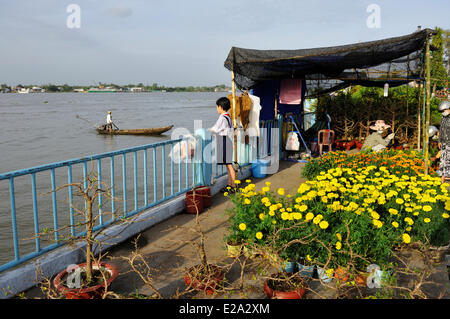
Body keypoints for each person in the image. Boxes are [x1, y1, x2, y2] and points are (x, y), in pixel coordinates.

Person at [209, 97, 236, 191]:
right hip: (227, 140)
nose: (216, 109)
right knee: (228, 165)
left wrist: (206, 131)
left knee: (229, 165)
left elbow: (215, 129)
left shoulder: (222, 117)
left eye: (217, 107)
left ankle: (233, 187)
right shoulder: (228, 117)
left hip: (224, 141)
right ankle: (230, 184)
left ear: (220, 107)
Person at [437, 100, 450, 183]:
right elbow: (441, 130)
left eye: (443, 111)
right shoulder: (443, 119)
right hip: (444, 143)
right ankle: (442, 177)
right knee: (443, 160)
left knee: (449, 160)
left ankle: (448, 178)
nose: (442, 112)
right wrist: (439, 141)